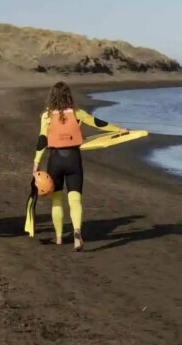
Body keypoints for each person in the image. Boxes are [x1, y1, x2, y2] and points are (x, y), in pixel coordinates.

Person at [32, 82, 126, 251]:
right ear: (69, 96)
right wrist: (118, 129)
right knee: (75, 199)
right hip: (73, 159)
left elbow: (42, 140)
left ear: (52, 96)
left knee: (57, 200)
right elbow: (98, 123)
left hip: (55, 160)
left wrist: (36, 163)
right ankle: (76, 232)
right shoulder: (77, 113)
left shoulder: (46, 116)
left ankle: (59, 237)